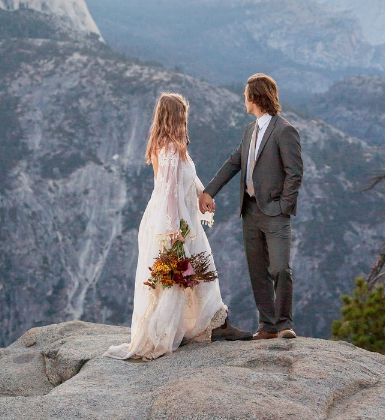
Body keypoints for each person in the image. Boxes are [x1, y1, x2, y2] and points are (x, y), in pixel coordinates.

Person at [106, 93, 229, 360]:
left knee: (188, 273)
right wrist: (175, 231)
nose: (186, 121)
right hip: (174, 222)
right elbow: (170, 192)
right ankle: (174, 332)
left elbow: (189, 176)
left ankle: (195, 326)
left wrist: (201, 195)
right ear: (175, 117)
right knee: (175, 278)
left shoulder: (173, 146)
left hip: (178, 219)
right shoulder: (170, 148)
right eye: (183, 116)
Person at [199, 74, 304, 340]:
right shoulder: (250, 131)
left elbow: (295, 173)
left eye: (245, 95)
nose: (242, 100)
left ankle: (284, 325)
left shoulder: (284, 130)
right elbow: (233, 163)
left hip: (275, 213)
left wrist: (283, 206)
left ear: (255, 97)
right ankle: (267, 327)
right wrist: (209, 191)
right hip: (250, 212)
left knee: (280, 268)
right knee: (257, 271)